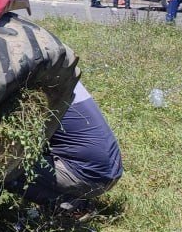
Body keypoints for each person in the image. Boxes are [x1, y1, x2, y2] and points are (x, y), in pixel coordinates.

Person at [23, 82, 123, 211]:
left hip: (89, 175)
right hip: (110, 170)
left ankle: (73, 207)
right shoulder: (67, 80)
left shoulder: (40, 86)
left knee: (7, 164)